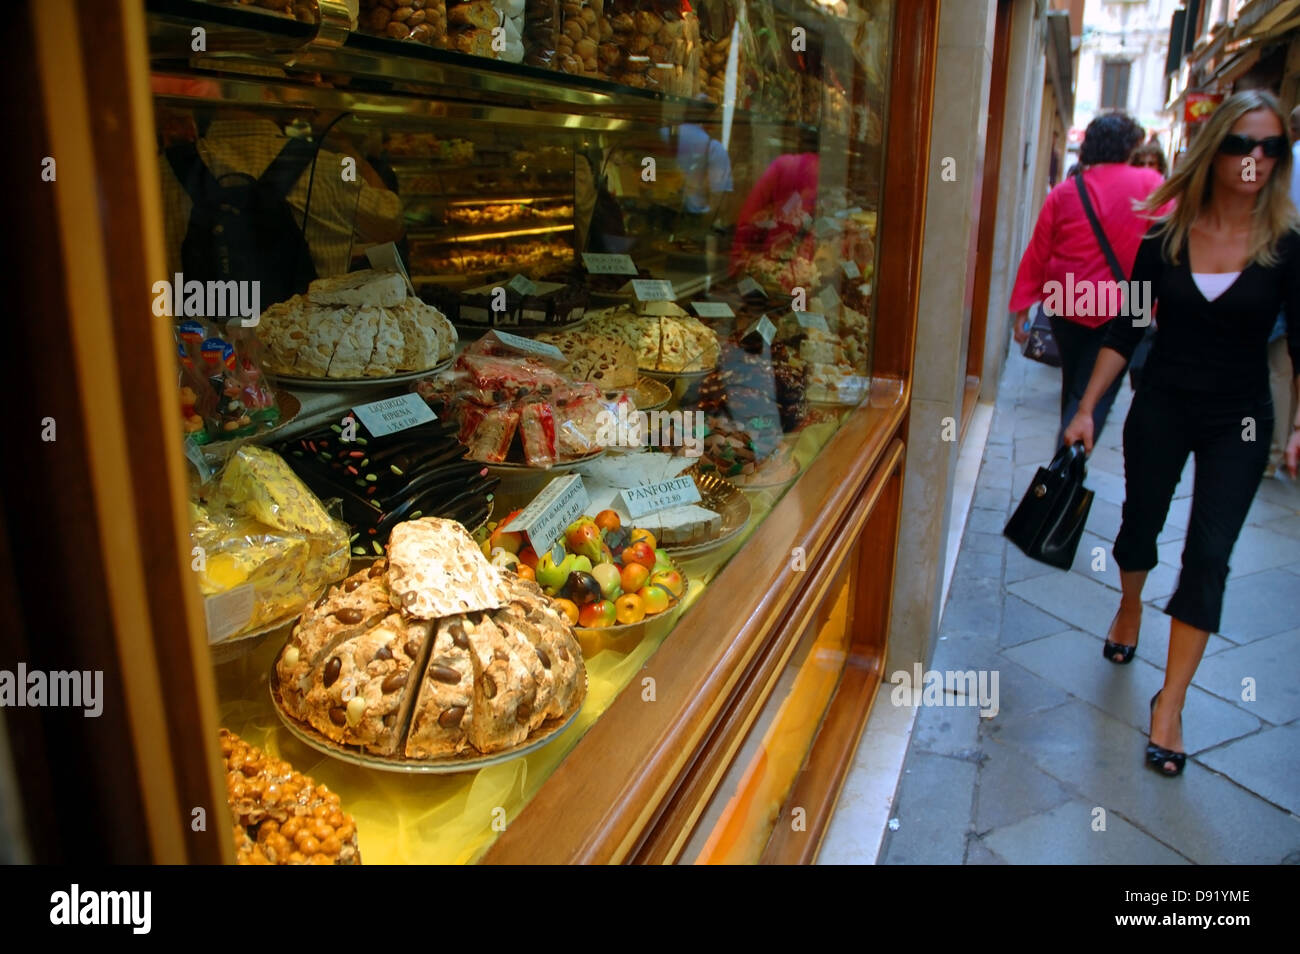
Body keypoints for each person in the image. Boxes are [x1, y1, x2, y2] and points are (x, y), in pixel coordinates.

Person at [1062, 89, 1300, 778]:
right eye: (1241, 144)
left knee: (1210, 555)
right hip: (1162, 400)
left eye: (1270, 148)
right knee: (1139, 526)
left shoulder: (1286, 248)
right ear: (1214, 148)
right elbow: (1125, 326)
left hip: (1241, 418)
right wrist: (1087, 407)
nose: (1255, 159)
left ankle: (1170, 704)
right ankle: (1130, 605)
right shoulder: (1163, 238)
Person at [1010, 112, 1167, 449]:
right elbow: (1175, 243)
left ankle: (1065, 462)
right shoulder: (1152, 185)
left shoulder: (1066, 191)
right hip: (1133, 298)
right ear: (1130, 147)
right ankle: (1064, 470)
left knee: (1076, 384)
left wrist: (1023, 307)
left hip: (1068, 297)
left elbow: (1040, 249)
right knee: (1096, 396)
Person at [160, 109, 403, 285]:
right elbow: (391, 223)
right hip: (308, 349)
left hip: (198, 351)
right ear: (273, 96)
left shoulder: (158, 171)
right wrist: (344, 146)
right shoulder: (330, 169)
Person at [1265, 104, 1300, 477]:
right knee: (1285, 367)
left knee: (1275, 368)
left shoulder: (1284, 163)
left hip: (1276, 261)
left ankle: (1270, 452)